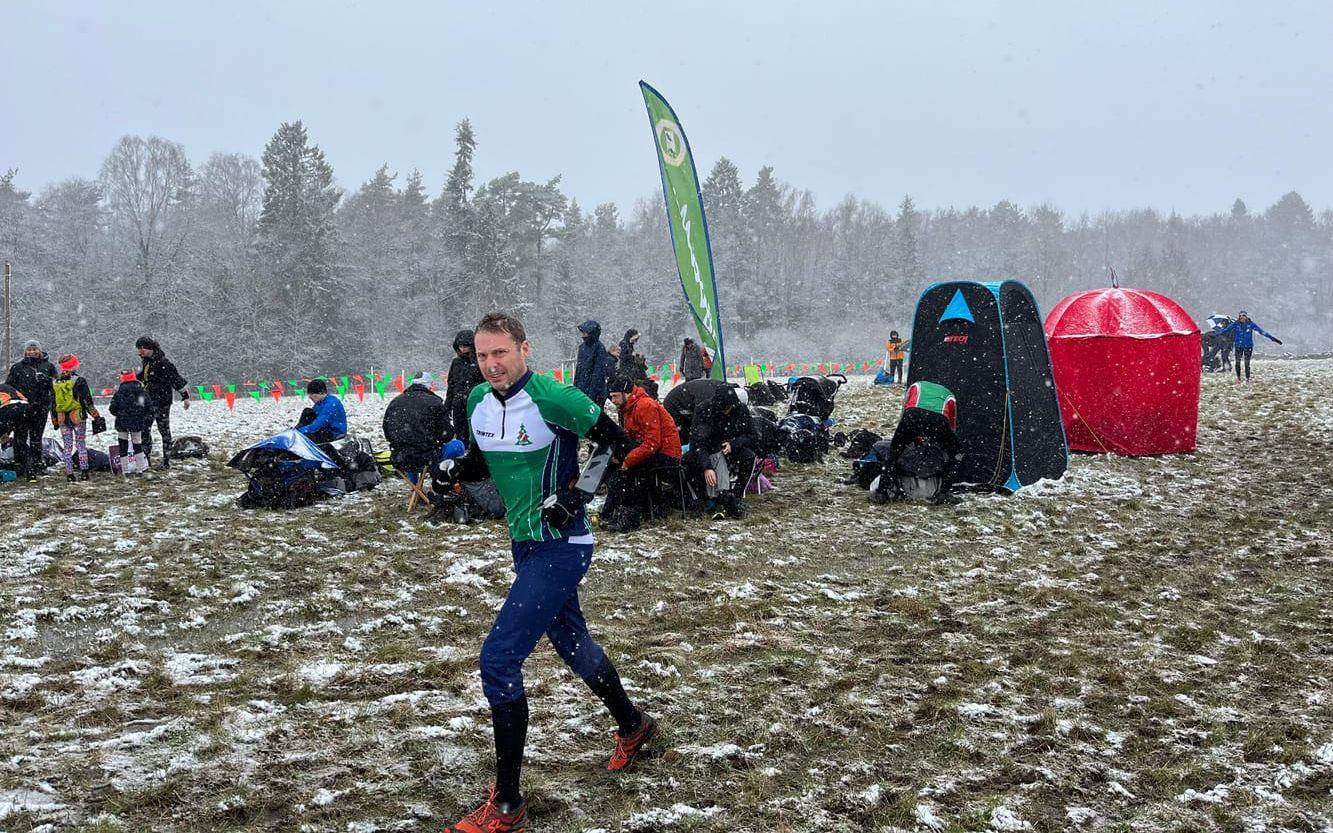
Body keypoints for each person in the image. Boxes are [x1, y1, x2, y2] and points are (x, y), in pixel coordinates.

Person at [441, 312, 655, 833]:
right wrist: (452, 469)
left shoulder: (556, 398)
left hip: (563, 545)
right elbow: (483, 459)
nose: (492, 364)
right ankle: (633, 725)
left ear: (523, 350)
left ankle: (508, 805)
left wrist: (576, 496)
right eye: (484, 354)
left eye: (501, 353)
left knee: (498, 660)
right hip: (525, 545)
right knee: (572, 643)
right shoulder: (475, 401)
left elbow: (615, 444)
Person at [601, 375, 683, 532]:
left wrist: (627, 461)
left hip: (667, 455)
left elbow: (652, 443)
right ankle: (612, 512)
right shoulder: (629, 407)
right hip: (654, 451)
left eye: (615, 396)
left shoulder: (645, 405)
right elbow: (630, 438)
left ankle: (628, 517)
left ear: (627, 393)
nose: (612, 400)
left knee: (630, 470)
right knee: (616, 462)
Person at [872, 380, 963, 504]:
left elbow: (904, 410)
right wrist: (945, 444)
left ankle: (882, 492)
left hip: (912, 415)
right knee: (957, 453)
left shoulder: (916, 385)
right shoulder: (949, 395)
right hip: (939, 420)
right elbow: (952, 425)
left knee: (894, 454)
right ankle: (944, 493)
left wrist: (906, 437)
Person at [683, 384, 756, 518]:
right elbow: (698, 441)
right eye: (725, 409)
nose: (727, 411)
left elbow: (752, 435)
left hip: (731, 447)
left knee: (749, 457)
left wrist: (733, 444)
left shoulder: (740, 409)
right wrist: (707, 467)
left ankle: (737, 496)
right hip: (707, 449)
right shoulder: (704, 410)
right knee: (687, 461)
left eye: (729, 408)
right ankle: (701, 499)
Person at [5, 339, 57, 481]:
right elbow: (9, 387)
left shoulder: (49, 366)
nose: (32, 351)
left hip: (41, 407)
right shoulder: (17, 367)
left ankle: (37, 464)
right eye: (29, 349)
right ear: (25, 351)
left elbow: (57, 386)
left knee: (36, 437)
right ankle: (20, 465)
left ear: (40, 350)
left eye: (35, 349)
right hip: (21, 408)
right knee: (20, 437)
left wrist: (47, 380)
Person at [135, 336, 190, 468]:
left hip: (162, 402)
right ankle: (146, 460)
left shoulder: (163, 363)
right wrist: (131, 378)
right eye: (138, 349)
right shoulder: (147, 362)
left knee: (164, 431)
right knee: (144, 430)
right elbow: (144, 377)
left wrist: (185, 396)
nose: (139, 352)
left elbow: (176, 379)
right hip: (148, 402)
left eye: (141, 349)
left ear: (148, 348)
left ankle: (166, 461)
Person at [382, 372, 450, 479]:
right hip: (427, 458)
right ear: (428, 385)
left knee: (410, 444)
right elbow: (446, 435)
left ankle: (415, 487)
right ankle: (439, 481)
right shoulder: (435, 402)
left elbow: (387, 432)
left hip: (399, 459)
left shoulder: (395, 402)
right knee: (458, 446)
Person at [50, 354, 102, 482]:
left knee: (67, 446)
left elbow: (53, 403)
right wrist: (96, 415)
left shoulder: (55, 382)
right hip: (78, 417)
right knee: (81, 444)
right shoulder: (79, 380)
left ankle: (69, 474)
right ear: (74, 365)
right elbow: (87, 401)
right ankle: (84, 472)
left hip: (62, 418)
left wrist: (55, 420)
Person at [1215, 311, 1282, 384]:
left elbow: (1261, 331)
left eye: (1244, 316)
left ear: (1246, 317)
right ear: (1239, 317)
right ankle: (1238, 378)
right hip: (1238, 346)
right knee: (1237, 363)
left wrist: (1272, 338)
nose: (1242, 317)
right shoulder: (1236, 324)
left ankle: (1247, 379)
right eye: (1241, 316)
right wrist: (1216, 335)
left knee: (1247, 364)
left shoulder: (1250, 324)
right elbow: (1226, 330)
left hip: (1248, 346)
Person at [445, 330, 485, 446]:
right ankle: (463, 452)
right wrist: (447, 406)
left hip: (476, 403)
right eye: (460, 346)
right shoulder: (456, 362)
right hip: (458, 403)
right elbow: (451, 385)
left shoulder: (480, 362)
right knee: (460, 433)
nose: (462, 349)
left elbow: (485, 384)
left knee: (477, 432)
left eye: (465, 346)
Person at [662, 376, 727, 444]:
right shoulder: (708, 397)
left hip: (688, 401)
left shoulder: (721, 391)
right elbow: (701, 421)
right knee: (683, 434)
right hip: (675, 405)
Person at [109, 369, 150, 475]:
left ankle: (125, 470)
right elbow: (148, 406)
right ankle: (141, 468)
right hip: (137, 422)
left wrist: (119, 414)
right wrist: (141, 415)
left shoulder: (119, 392)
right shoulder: (141, 391)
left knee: (123, 446)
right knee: (137, 444)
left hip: (122, 423)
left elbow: (112, 408)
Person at [573, 319, 616, 406]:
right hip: (581, 389)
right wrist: (575, 388)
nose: (583, 335)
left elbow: (598, 373)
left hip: (595, 393)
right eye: (582, 333)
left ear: (592, 333)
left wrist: (591, 394)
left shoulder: (599, 348)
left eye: (585, 333)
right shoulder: (582, 348)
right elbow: (579, 370)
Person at [296, 379, 347, 444]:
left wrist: (302, 431)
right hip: (325, 429)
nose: (310, 397)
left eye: (312, 395)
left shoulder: (331, 403)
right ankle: (296, 432)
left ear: (320, 393)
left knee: (307, 436)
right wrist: (300, 429)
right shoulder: (319, 403)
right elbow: (311, 418)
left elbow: (319, 423)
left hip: (334, 433)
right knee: (307, 412)